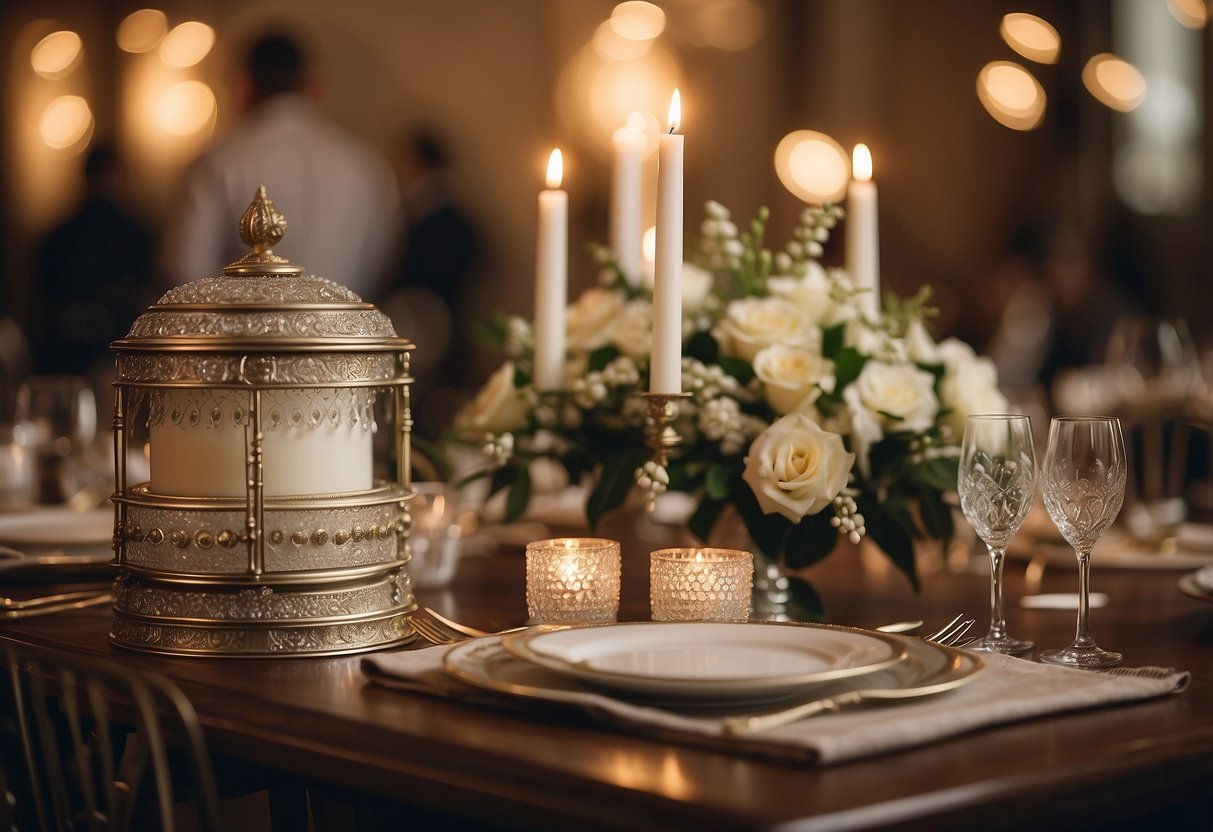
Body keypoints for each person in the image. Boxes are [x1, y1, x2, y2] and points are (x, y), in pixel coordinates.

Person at [158, 32, 397, 296]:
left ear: (245, 84)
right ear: (313, 84)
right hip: (345, 332)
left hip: (240, 334)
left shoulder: (219, 162)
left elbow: (185, 272)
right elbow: (381, 263)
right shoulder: (365, 164)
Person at [33, 142, 153, 378]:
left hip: (64, 355)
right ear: (119, 174)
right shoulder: (137, 232)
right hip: (119, 350)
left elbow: (40, 306)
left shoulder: (57, 235)